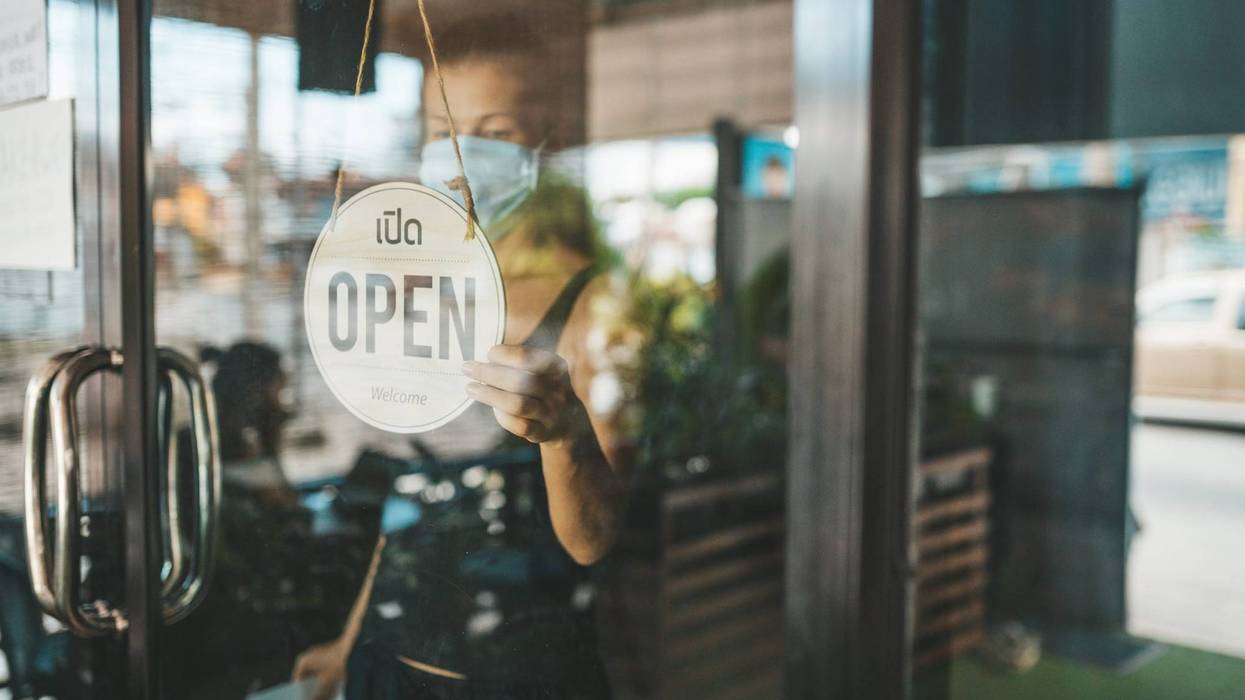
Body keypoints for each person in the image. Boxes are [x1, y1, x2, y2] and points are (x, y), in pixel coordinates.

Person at [293, 14, 633, 699]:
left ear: (549, 140)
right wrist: (348, 645)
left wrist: (563, 434)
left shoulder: (591, 304)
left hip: (517, 674)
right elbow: (410, 496)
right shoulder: (429, 291)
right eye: (441, 130)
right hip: (391, 665)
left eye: (495, 132)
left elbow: (594, 539)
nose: (461, 153)